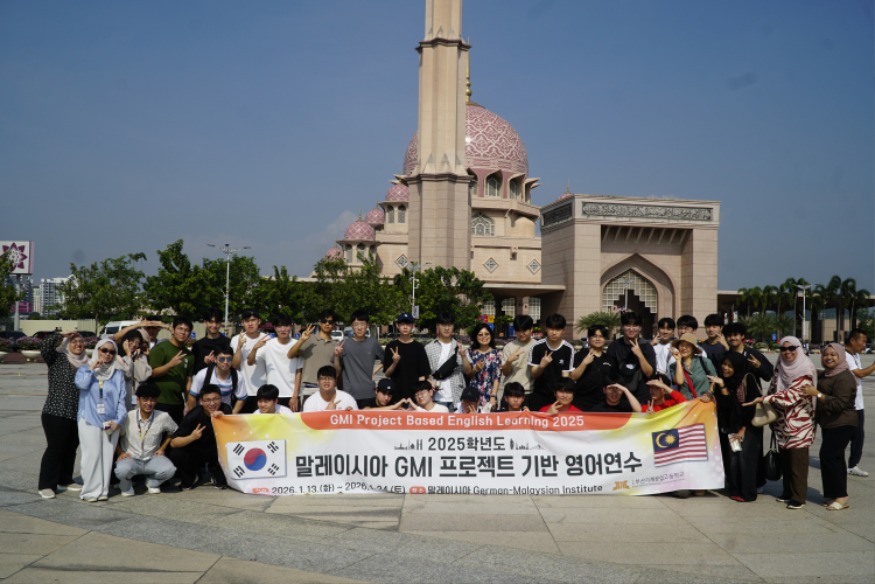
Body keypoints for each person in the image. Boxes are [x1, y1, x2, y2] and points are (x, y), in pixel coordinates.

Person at [745, 336, 817, 510]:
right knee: (785, 459)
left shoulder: (805, 368)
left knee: (797, 462)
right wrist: (769, 409)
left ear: (799, 349)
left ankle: (798, 497)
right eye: (784, 349)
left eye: (792, 348)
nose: (787, 352)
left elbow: (793, 395)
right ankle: (787, 491)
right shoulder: (780, 367)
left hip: (800, 422)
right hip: (781, 421)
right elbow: (773, 386)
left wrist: (764, 398)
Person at [801, 343, 857, 510]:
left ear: (840, 356)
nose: (829, 357)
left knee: (829, 456)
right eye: (826, 354)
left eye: (833, 354)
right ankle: (834, 494)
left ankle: (841, 496)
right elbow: (811, 372)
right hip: (830, 423)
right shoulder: (826, 374)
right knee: (836, 459)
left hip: (843, 422)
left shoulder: (844, 377)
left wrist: (817, 394)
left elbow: (840, 403)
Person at [75, 339, 127, 502]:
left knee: (106, 457)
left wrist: (118, 420)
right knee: (92, 455)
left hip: (110, 422)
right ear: (97, 350)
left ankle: (103, 490)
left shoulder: (117, 374)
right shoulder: (84, 370)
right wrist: (92, 368)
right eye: (104, 350)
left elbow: (121, 400)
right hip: (89, 419)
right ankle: (90, 491)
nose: (107, 354)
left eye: (112, 352)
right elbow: (81, 384)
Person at [37, 331, 87, 499]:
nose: (78, 344)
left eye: (81, 341)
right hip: (55, 412)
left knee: (71, 448)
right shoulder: (57, 358)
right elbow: (44, 346)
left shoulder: (87, 363)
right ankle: (46, 484)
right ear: (66, 344)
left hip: (77, 413)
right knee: (55, 448)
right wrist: (60, 334)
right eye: (74, 341)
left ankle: (65, 479)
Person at [708, 352, 761, 502]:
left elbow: (751, 405)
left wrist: (743, 429)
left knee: (745, 459)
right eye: (724, 364)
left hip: (747, 426)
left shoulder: (747, 378)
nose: (726, 368)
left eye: (730, 366)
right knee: (733, 459)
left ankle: (748, 493)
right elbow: (725, 405)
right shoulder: (723, 380)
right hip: (731, 426)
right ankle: (735, 490)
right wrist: (721, 386)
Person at [114, 382, 178, 496]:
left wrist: (163, 448)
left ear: (156, 401)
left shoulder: (163, 416)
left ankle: (152, 483)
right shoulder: (129, 416)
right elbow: (116, 435)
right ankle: (125, 484)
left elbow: (173, 431)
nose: (149, 403)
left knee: (170, 470)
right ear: (138, 400)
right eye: (145, 399)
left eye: (152, 400)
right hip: (131, 458)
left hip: (151, 458)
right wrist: (120, 452)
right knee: (121, 471)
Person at [170, 384, 231, 490]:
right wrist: (192, 437)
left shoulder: (226, 409)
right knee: (176, 454)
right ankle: (192, 476)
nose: (212, 403)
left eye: (216, 399)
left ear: (220, 399)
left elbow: (235, 434)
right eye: (207, 400)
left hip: (216, 452)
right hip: (196, 451)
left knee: (223, 483)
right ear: (201, 402)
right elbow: (173, 443)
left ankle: (215, 472)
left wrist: (224, 419)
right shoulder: (193, 416)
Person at [287, 309, 340, 408]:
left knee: (326, 420)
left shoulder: (336, 344)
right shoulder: (309, 339)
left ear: (334, 324)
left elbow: (338, 370)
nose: (327, 324)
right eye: (324, 321)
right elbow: (290, 354)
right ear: (319, 322)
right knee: (308, 420)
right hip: (310, 386)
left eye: (330, 322)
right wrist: (301, 340)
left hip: (329, 387)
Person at [248, 315, 302, 410]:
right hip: (272, 395)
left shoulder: (296, 345)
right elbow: (250, 362)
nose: (283, 329)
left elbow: (298, 372)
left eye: (286, 326)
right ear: (275, 328)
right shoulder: (268, 344)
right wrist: (255, 348)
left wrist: (295, 396)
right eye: (279, 326)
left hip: (291, 395)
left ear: (291, 327)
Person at [147, 316, 195, 425]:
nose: (183, 332)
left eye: (186, 330)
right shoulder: (160, 349)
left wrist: (188, 401)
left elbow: (188, 380)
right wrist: (170, 365)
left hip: (178, 403)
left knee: (175, 435)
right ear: (173, 330)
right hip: (159, 401)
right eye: (180, 329)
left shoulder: (189, 355)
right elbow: (152, 373)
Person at [336, 310, 385, 409]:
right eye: (356, 324)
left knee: (367, 423)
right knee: (349, 424)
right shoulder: (344, 344)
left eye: (362, 324)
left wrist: (374, 371)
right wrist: (336, 355)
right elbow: (337, 369)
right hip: (349, 394)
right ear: (352, 326)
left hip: (368, 392)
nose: (359, 327)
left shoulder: (372, 343)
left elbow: (386, 360)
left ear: (367, 325)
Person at [606, 311, 656, 404]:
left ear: (640, 327)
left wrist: (640, 354)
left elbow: (649, 373)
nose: (631, 329)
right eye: (628, 325)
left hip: (642, 397)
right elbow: (610, 374)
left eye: (635, 325)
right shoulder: (614, 346)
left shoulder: (646, 346)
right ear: (622, 327)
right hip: (620, 397)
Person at [529, 313, 575, 412]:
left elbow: (565, 376)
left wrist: (563, 395)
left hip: (558, 396)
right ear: (546, 329)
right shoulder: (537, 347)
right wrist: (541, 366)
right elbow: (533, 374)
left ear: (563, 331)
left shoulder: (568, 349)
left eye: (557, 329)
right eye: (551, 329)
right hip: (540, 393)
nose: (554, 332)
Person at [844, 328, 874, 477]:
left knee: (858, 435)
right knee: (848, 434)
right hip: (849, 403)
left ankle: (853, 464)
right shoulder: (845, 356)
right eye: (862, 341)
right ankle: (845, 463)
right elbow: (859, 373)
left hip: (858, 403)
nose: (864, 345)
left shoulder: (855, 355)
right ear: (853, 340)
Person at [382, 313, 431, 401]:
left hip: (414, 397)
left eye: (408, 324)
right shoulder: (391, 346)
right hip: (395, 396)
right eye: (402, 324)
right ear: (397, 325)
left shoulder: (419, 347)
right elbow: (387, 374)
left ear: (413, 326)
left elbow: (422, 375)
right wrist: (395, 362)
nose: (405, 327)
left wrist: (419, 395)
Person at [424, 312, 465, 411]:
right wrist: (429, 382)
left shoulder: (459, 347)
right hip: (435, 398)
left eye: (449, 325)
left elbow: (468, 371)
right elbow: (424, 372)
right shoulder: (429, 348)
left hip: (457, 397)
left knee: (455, 426)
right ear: (438, 326)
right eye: (443, 325)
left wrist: (464, 357)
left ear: (453, 326)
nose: (447, 328)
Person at [231, 309, 269, 413]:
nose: (250, 323)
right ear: (243, 323)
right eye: (247, 321)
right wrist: (239, 347)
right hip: (242, 391)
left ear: (259, 321)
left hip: (262, 391)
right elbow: (234, 365)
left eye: (253, 320)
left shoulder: (267, 339)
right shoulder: (236, 339)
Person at [189, 346, 246, 412]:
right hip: (205, 412)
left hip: (224, 412)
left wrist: (232, 414)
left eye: (229, 359)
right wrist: (193, 415)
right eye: (222, 359)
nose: (225, 362)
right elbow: (192, 396)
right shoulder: (202, 374)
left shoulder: (237, 376)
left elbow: (242, 398)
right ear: (215, 359)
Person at [462, 323, 503, 411]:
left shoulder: (497, 354)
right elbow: (468, 374)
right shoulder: (470, 353)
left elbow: (497, 377)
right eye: (480, 334)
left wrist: (493, 396)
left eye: (486, 334)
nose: (484, 337)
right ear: (476, 337)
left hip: (490, 392)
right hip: (473, 393)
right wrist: (475, 369)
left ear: (491, 335)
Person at [570, 324, 611, 411]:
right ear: (589, 338)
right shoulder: (580, 355)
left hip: (603, 404)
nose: (598, 339)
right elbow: (573, 377)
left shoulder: (610, 358)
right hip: (581, 403)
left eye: (601, 336)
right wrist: (584, 363)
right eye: (594, 336)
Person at [722, 322, 773, 389]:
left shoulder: (753, 354)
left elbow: (768, 377)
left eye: (735, 335)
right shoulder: (724, 356)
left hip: (752, 398)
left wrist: (759, 366)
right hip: (732, 397)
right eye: (729, 335)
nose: (732, 338)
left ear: (742, 336)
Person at [669, 332, 716, 400]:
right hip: (685, 405)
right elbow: (679, 381)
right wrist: (678, 361)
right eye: (681, 345)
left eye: (688, 345)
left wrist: (709, 393)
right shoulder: (674, 366)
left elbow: (715, 381)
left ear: (693, 348)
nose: (684, 348)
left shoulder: (704, 362)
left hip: (704, 404)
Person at [500, 315, 536, 403]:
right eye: (518, 331)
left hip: (529, 392)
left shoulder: (537, 346)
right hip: (510, 393)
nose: (521, 334)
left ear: (531, 329)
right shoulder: (509, 347)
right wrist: (509, 361)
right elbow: (505, 372)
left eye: (524, 330)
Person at [119, 329, 152, 411]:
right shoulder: (117, 357)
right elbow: (127, 374)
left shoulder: (141, 357)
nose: (133, 344)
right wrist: (128, 356)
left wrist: (137, 359)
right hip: (122, 398)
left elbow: (142, 377)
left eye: (137, 342)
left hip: (136, 399)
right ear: (125, 341)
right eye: (131, 341)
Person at [190, 308, 231, 374]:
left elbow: (233, 366)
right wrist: (205, 363)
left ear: (221, 323)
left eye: (217, 322)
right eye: (211, 322)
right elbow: (193, 370)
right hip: (204, 383)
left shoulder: (228, 343)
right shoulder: (198, 345)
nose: (214, 325)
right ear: (205, 323)